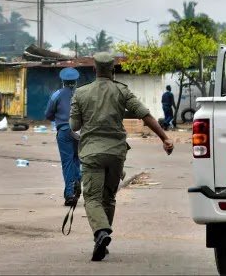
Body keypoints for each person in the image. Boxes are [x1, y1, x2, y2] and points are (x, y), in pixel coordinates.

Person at [70, 52, 174, 261]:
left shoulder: (81, 93)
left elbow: (74, 126)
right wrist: (165, 138)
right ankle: (104, 237)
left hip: (92, 153)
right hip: (116, 153)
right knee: (109, 197)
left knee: (92, 197)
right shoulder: (122, 91)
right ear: (113, 70)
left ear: (94, 69)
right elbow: (145, 116)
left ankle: (100, 232)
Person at [45, 67, 81, 206]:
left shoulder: (57, 95)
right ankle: (78, 178)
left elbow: (48, 114)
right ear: (76, 81)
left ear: (63, 81)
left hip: (64, 131)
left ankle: (70, 194)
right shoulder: (81, 94)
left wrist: (59, 118)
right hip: (80, 132)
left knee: (67, 162)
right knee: (77, 159)